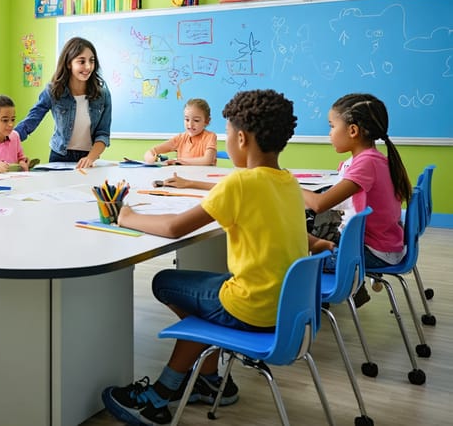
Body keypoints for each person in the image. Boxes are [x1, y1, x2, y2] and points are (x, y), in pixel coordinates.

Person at [102, 89, 308, 425]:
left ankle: (161, 394)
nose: (226, 141)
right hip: (285, 307)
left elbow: (173, 228)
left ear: (241, 138)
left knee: (165, 281)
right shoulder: (289, 182)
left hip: (249, 306)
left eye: (227, 135)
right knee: (200, 291)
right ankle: (210, 379)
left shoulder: (240, 183)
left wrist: (125, 217)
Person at [303, 93, 411, 306]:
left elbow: (319, 204)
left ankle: (348, 286)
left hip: (372, 252)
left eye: (332, 126)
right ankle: (354, 287)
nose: (330, 133)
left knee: (295, 254)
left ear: (353, 131)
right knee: (313, 234)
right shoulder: (372, 159)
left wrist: (286, 183)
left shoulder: (366, 163)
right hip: (382, 245)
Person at [14, 36, 112, 170]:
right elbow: (31, 121)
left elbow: (103, 133)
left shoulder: (102, 94)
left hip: (89, 158)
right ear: (68, 63)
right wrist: (6, 139)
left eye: (92, 61)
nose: (88, 66)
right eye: (81, 61)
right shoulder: (54, 91)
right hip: (59, 156)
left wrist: (90, 158)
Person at [144, 98, 217, 166]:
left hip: (202, 178)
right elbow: (152, 151)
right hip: (183, 178)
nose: (190, 124)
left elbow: (207, 160)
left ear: (207, 121)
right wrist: (151, 158)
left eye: (196, 120)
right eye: (187, 119)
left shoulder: (210, 137)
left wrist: (179, 161)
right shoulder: (180, 138)